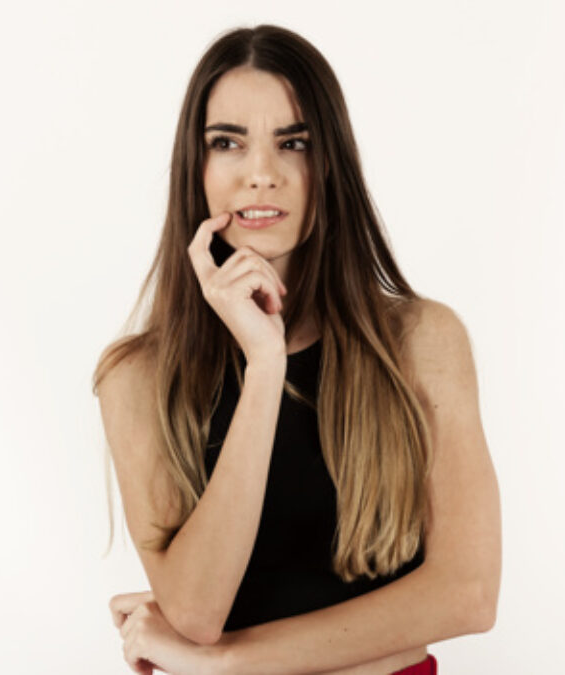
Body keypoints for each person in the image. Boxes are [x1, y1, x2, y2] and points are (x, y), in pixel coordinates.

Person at [92, 24, 500, 675]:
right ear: (195, 170)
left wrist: (226, 662)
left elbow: (468, 595)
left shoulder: (420, 340)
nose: (261, 174)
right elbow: (197, 611)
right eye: (227, 142)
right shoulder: (136, 376)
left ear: (329, 165)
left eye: (294, 143)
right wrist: (265, 366)